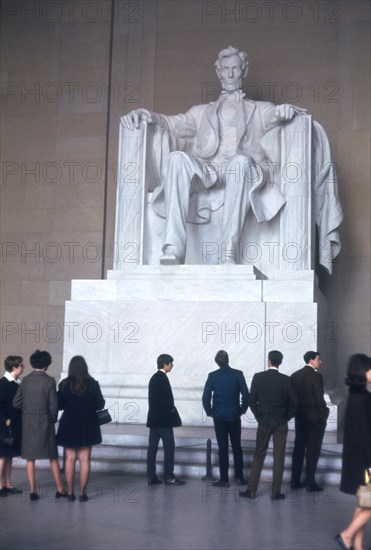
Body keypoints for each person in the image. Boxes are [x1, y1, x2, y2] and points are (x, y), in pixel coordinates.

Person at [121, 46, 342, 270]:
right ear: (218, 72)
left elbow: (276, 116)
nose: (230, 74)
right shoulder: (200, 113)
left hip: (244, 170)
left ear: (243, 71)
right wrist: (147, 115)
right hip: (208, 171)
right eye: (225, 69)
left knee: (240, 162)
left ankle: (228, 252)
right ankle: (173, 247)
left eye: (235, 69)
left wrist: (283, 111)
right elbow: (171, 123)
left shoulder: (260, 109)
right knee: (177, 159)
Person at [240, 350, 298, 500]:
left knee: (259, 454)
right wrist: (286, 417)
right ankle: (275, 492)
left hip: (264, 421)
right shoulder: (286, 380)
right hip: (280, 421)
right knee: (279, 457)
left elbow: (251, 401)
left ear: (269, 361)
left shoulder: (258, 377)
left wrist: (259, 416)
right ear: (280, 362)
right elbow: (295, 403)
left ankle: (251, 490)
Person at [13, 350, 66, 501]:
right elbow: (53, 405)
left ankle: (32, 491)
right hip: (45, 423)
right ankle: (60, 489)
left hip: (28, 423)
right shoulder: (49, 381)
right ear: (47, 364)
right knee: (53, 457)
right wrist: (53, 419)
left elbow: (16, 402)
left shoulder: (25, 380)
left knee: (30, 458)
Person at [56, 356, 105, 502]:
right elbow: (100, 404)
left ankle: (70, 493)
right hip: (88, 424)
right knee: (85, 459)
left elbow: (59, 404)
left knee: (69, 459)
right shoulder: (93, 384)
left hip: (69, 424)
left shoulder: (64, 384)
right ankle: (83, 494)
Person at [335, 353, 371, 550]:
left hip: (361, 459)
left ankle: (357, 546)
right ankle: (347, 535)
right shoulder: (358, 399)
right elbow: (363, 436)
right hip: (363, 461)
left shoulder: (361, 395)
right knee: (367, 504)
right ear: (363, 371)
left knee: (364, 503)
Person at [202, 350, 249, 487]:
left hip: (219, 417)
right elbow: (246, 396)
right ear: (228, 360)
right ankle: (239, 478)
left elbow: (205, 398)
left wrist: (210, 412)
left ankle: (224, 480)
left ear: (217, 362)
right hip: (234, 415)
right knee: (236, 447)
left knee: (222, 448)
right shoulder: (238, 374)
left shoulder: (212, 376)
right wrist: (241, 410)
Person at [290, 351, 330, 492]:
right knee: (313, 450)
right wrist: (324, 414)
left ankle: (294, 481)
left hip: (300, 417)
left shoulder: (294, 376)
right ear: (311, 360)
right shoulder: (316, 376)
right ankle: (310, 482)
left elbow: (293, 399)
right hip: (315, 418)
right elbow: (319, 399)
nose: (321, 361)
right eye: (319, 359)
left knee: (299, 449)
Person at [146, 354, 185, 486]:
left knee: (152, 448)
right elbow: (167, 401)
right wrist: (172, 411)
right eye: (171, 363)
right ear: (165, 364)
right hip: (163, 420)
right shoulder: (162, 378)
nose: (172, 366)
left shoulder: (154, 378)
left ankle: (151, 476)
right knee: (169, 446)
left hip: (154, 420)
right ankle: (169, 476)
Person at [0, 356, 24, 496]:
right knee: (2, 456)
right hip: (4, 426)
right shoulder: (3, 383)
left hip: (13, 425)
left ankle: (8, 484)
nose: (23, 367)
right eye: (21, 365)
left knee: (9, 456)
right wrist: (5, 419)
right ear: (14, 367)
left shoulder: (16, 383)